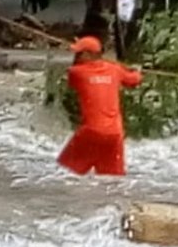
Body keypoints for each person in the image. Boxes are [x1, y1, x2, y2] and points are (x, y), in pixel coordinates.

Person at [57, 36, 143, 176]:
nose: (76, 56)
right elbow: (135, 80)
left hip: (91, 132)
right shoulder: (115, 69)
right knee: (111, 180)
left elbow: (72, 81)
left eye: (79, 53)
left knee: (66, 174)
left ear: (89, 55)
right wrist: (136, 71)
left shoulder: (76, 72)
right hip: (115, 134)